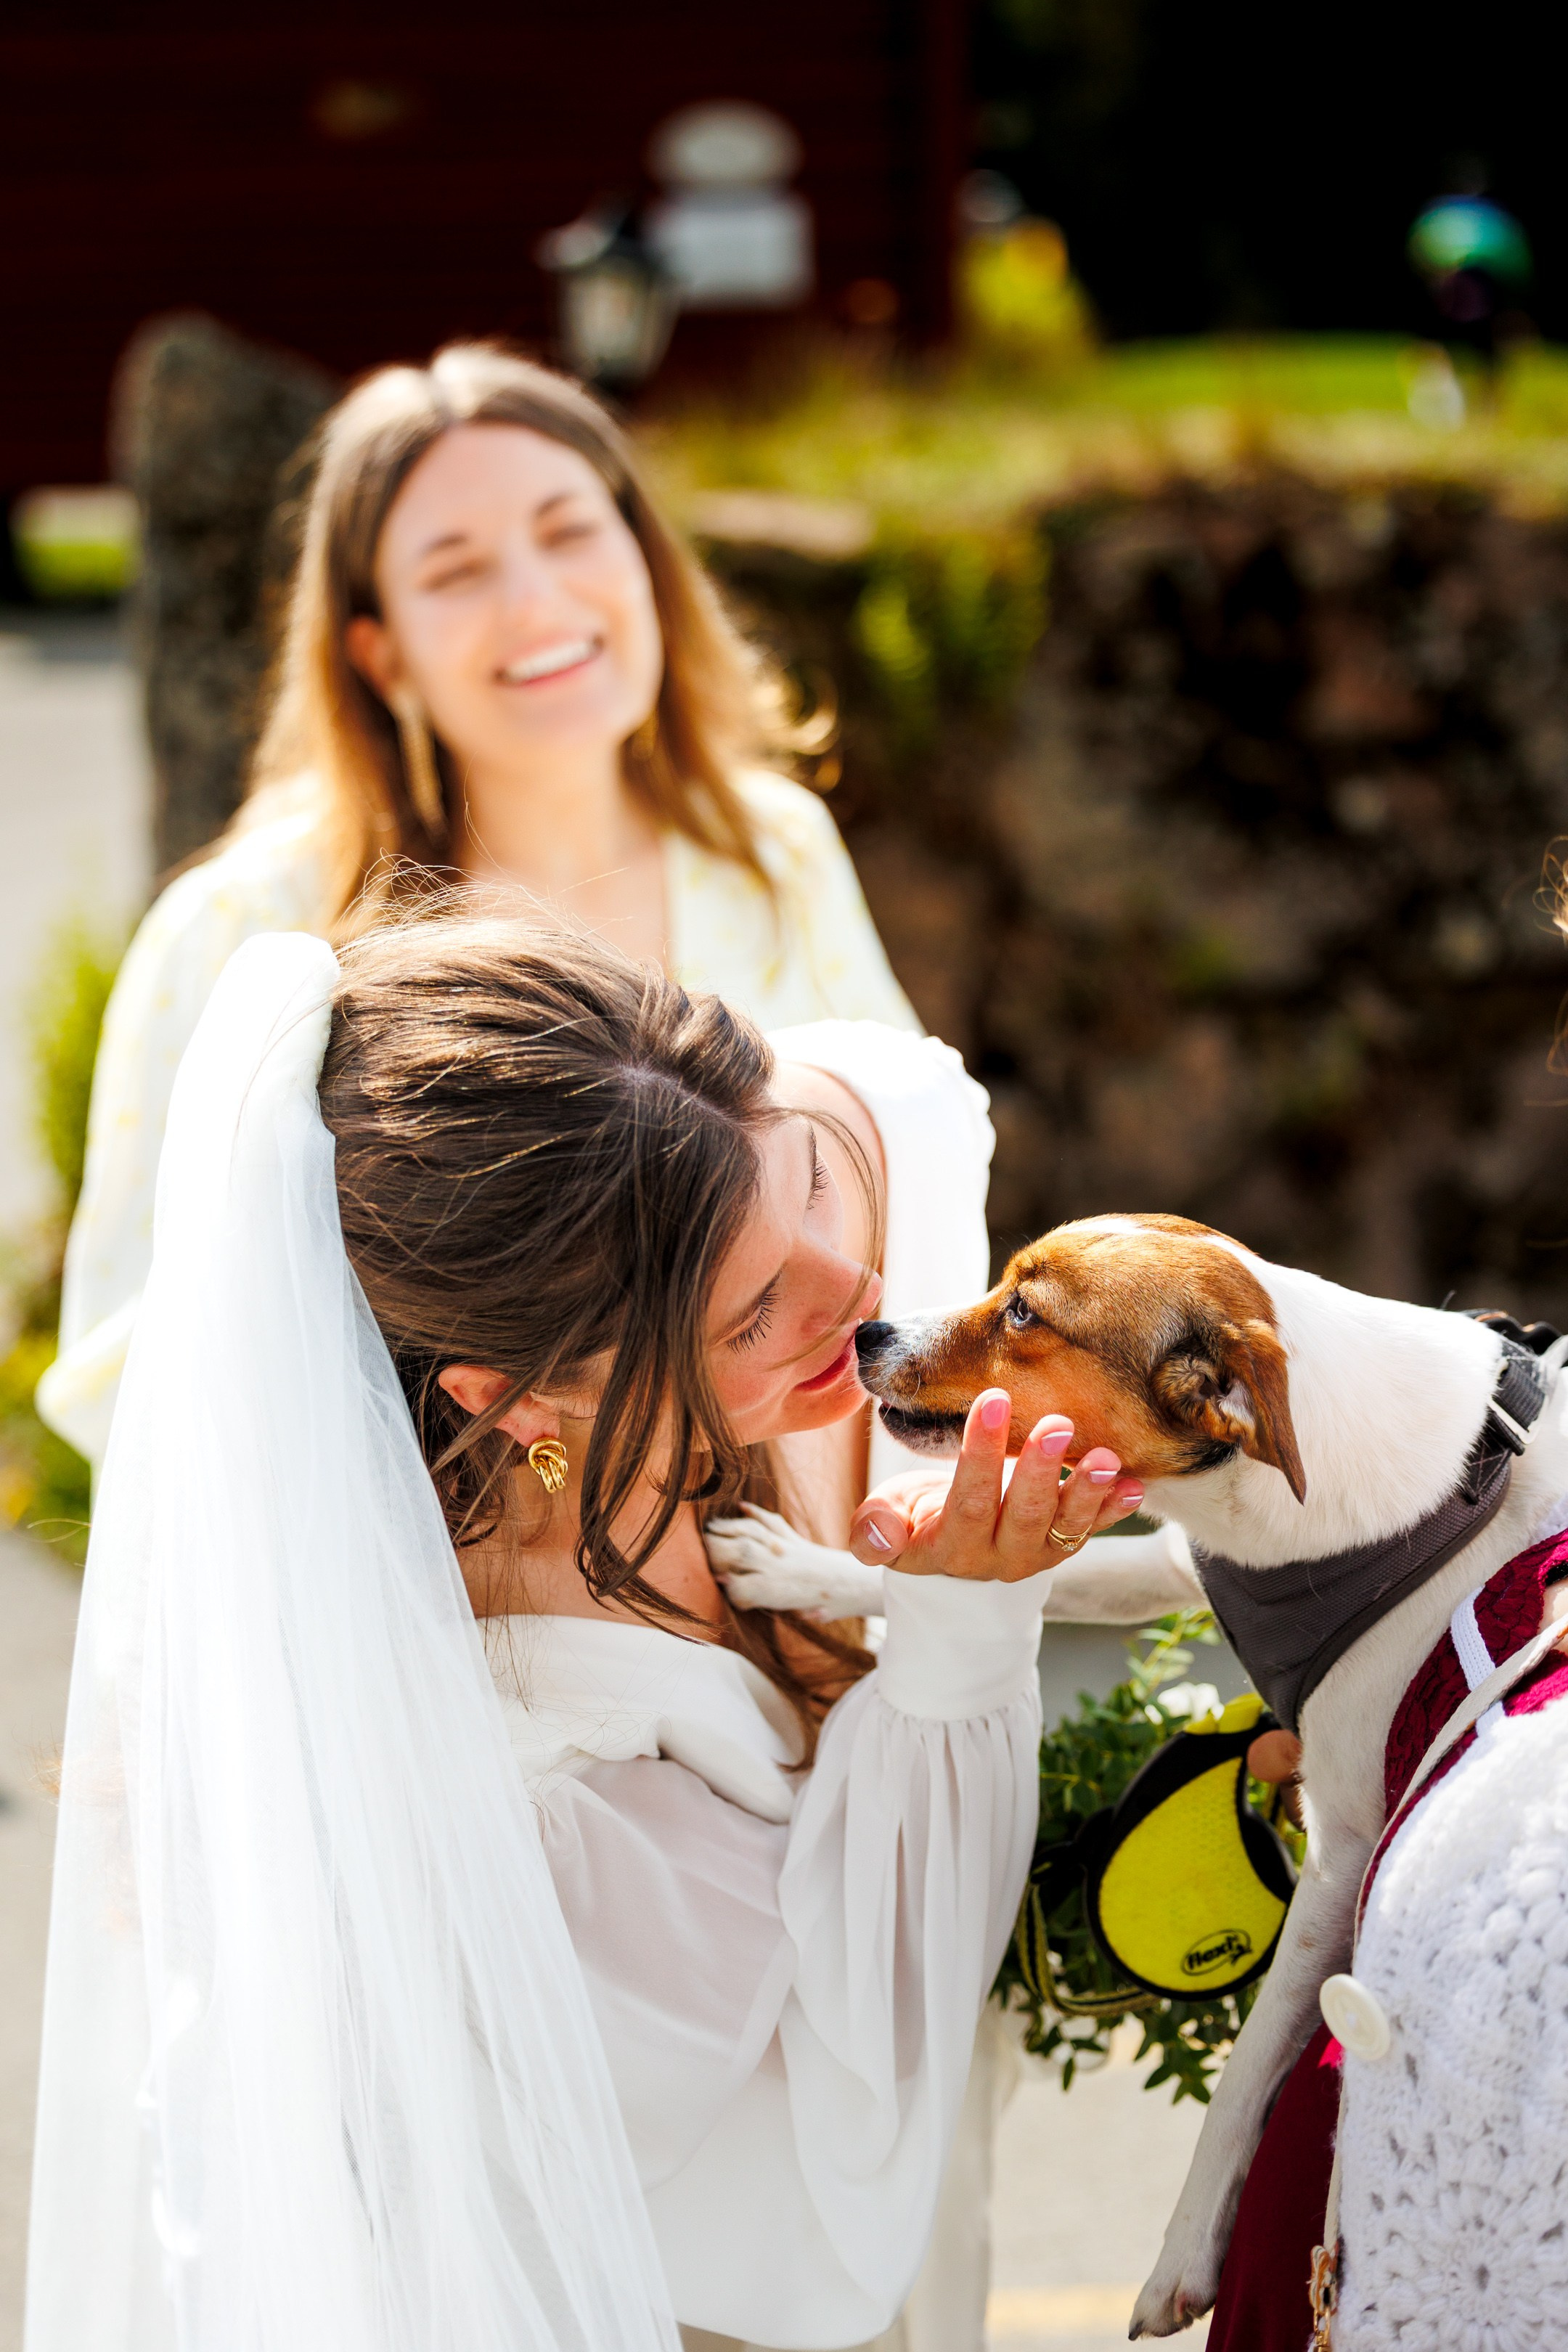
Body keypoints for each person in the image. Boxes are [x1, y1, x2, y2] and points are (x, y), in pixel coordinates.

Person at [26, 921, 1143, 2352]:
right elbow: (849, 2142)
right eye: (751, 1311)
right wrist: (968, 1634)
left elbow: (905, 1106)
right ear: (518, 1397)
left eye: (799, 1175)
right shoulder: (531, 1807)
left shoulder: (755, 1154)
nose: (854, 1294)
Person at [39, 343, 914, 1465]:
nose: (535, 601)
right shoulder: (250, 931)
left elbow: (910, 1172)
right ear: (381, 654)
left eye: (568, 531)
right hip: (461, 1610)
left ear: (645, 561)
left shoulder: (770, 849)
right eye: (455, 570)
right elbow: (124, 1369)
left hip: (822, 1571)